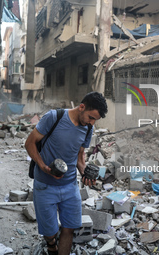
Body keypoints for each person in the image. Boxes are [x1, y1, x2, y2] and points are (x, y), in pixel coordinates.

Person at [25, 92, 108, 255]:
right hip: (45, 185)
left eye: (95, 120)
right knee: (50, 231)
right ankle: (51, 245)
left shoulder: (88, 128)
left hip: (70, 186)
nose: (92, 122)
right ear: (82, 107)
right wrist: (43, 167)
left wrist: (85, 172)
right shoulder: (54, 117)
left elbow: (79, 157)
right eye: (91, 117)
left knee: (69, 228)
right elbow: (29, 143)